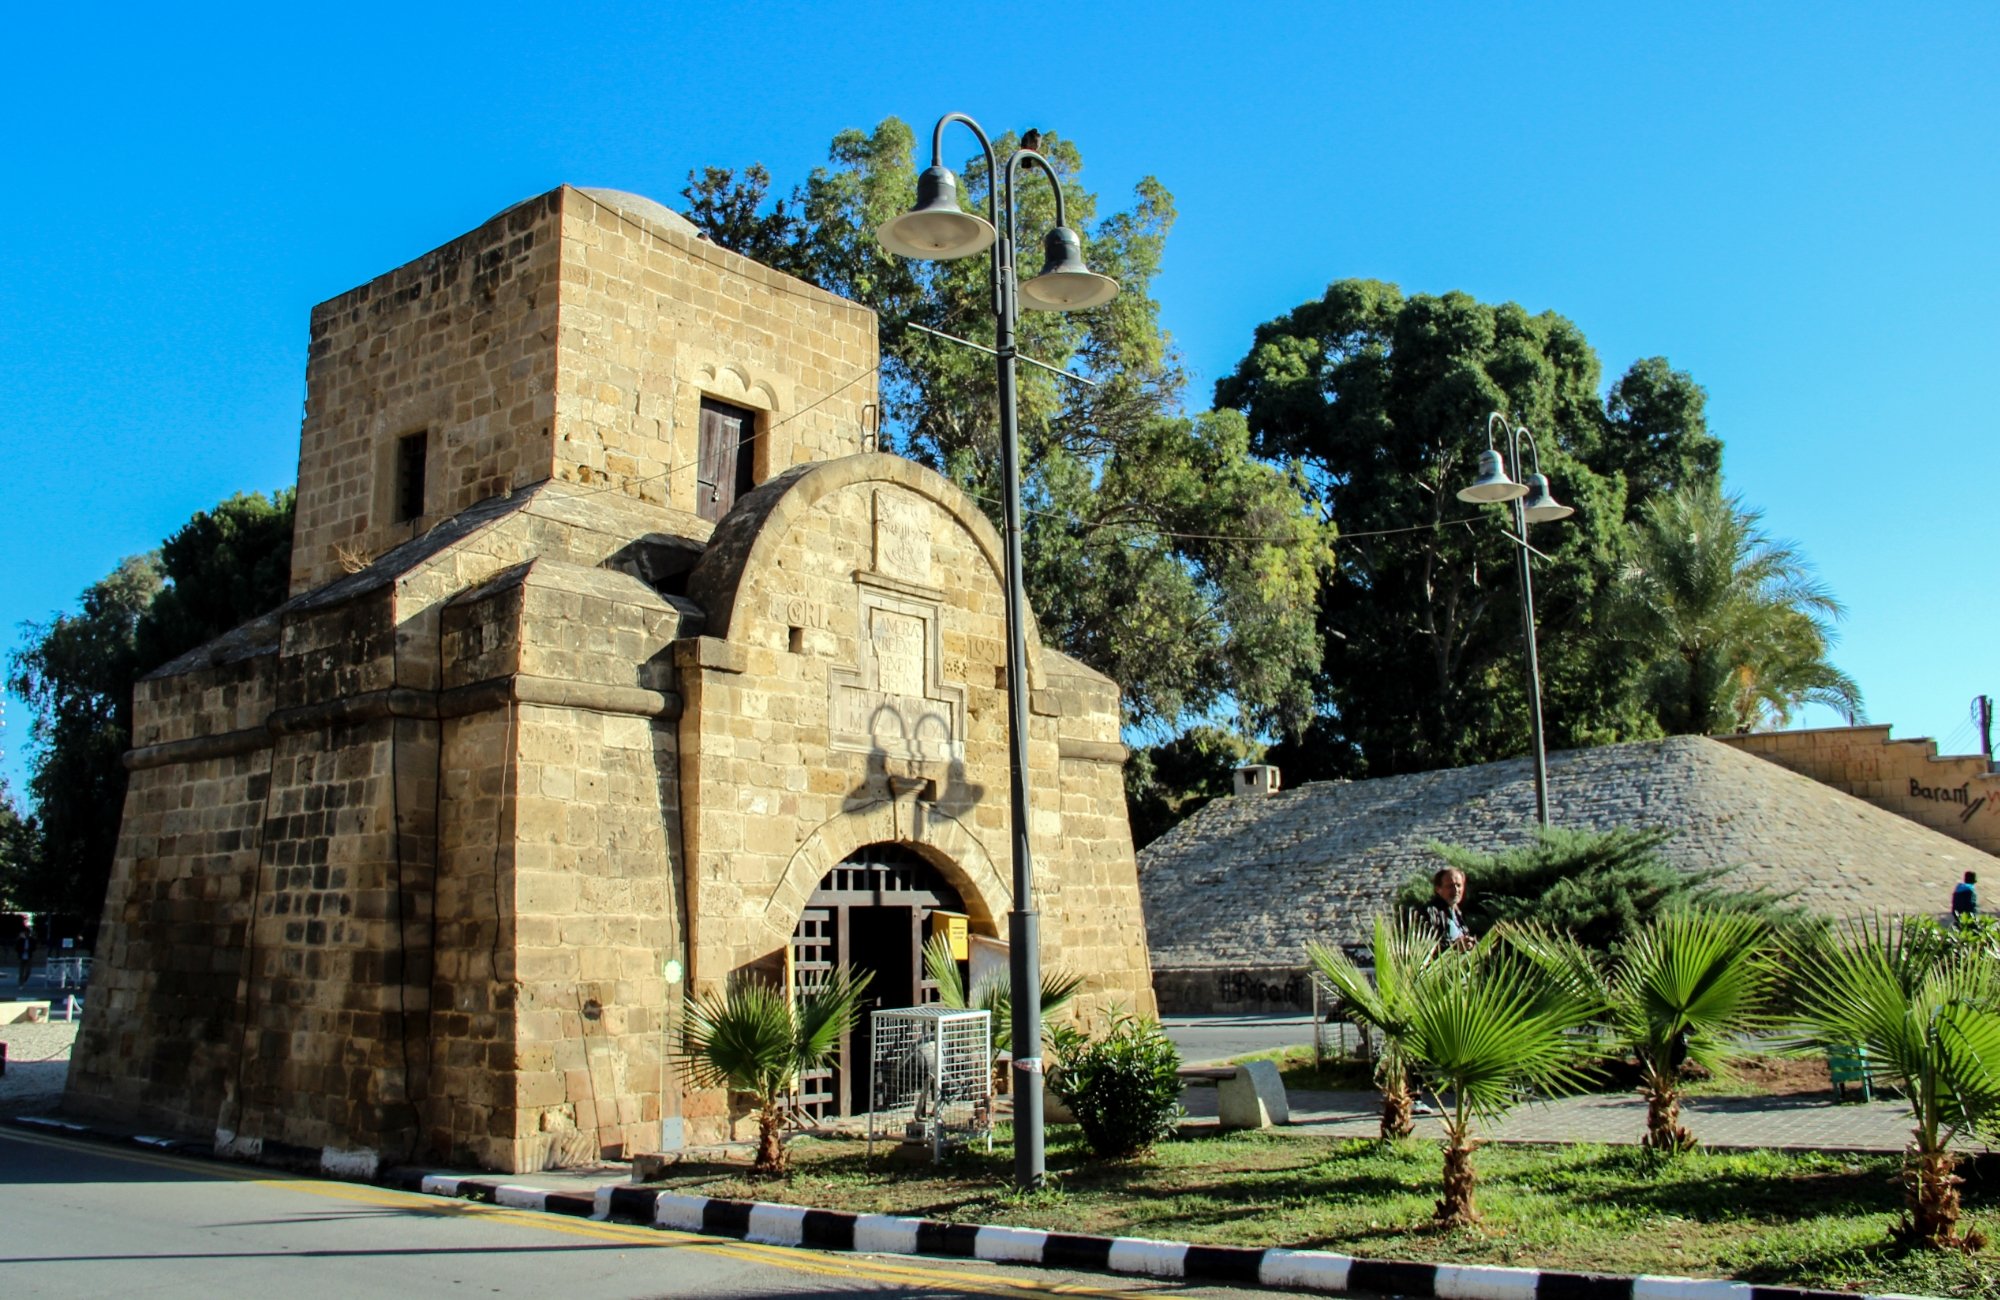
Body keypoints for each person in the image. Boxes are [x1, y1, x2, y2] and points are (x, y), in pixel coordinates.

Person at [1423, 867, 1475, 951]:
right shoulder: (1430, 913)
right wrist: (1454, 947)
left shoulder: (1457, 914)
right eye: (1450, 886)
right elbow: (1426, 945)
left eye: (1459, 885)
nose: (1456, 890)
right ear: (1438, 889)